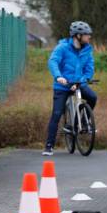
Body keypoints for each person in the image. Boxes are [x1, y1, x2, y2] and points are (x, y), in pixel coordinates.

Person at [42, 21, 97, 156]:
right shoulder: (62, 47)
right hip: (62, 84)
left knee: (93, 97)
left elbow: (89, 68)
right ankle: (49, 146)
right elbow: (53, 61)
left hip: (79, 83)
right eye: (86, 35)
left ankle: (84, 121)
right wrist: (58, 76)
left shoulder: (87, 50)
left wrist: (83, 80)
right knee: (56, 113)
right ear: (78, 36)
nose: (89, 37)